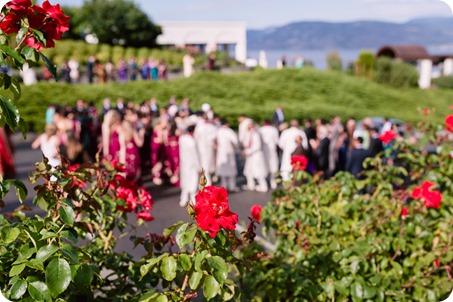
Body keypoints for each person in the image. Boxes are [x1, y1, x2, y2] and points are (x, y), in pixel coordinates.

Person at [243, 122, 268, 192]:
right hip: (250, 156)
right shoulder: (249, 134)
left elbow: (257, 146)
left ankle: (263, 186)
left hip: (256, 155)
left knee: (259, 171)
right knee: (249, 171)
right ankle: (250, 185)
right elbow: (246, 143)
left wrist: (248, 151)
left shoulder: (256, 135)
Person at [179, 125, 201, 207]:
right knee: (193, 181)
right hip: (192, 164)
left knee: (185, 180)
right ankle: (193, 199)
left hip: (184, 163)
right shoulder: (192, 141)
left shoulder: (182, 139)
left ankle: (183, 199)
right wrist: (198, 166)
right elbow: (195, 155)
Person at [215, 119, 239, 192]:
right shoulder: (229, 131)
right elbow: (236, 141)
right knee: (231, 170)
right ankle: (232, 186)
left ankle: (224, 186)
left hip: (220, 152)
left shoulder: (218, 131)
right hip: (229, 152)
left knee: (223, 171)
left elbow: (213, 141)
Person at [194, 115, 217, 185]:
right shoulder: (212, 127)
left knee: (205, 163)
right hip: (208, 148)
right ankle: (207, 179)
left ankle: (206, 179)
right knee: (208, 163)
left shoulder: (199, 128)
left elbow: (196, 138)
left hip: (202, 147)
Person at [259, 121, 279, 189]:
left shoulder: (261, 129)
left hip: (263, 150)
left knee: (264, 165)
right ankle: (273, 180)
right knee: (273, 165)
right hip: (272, 150)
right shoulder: (274, 130)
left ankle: (264, 182)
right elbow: (277, 141)